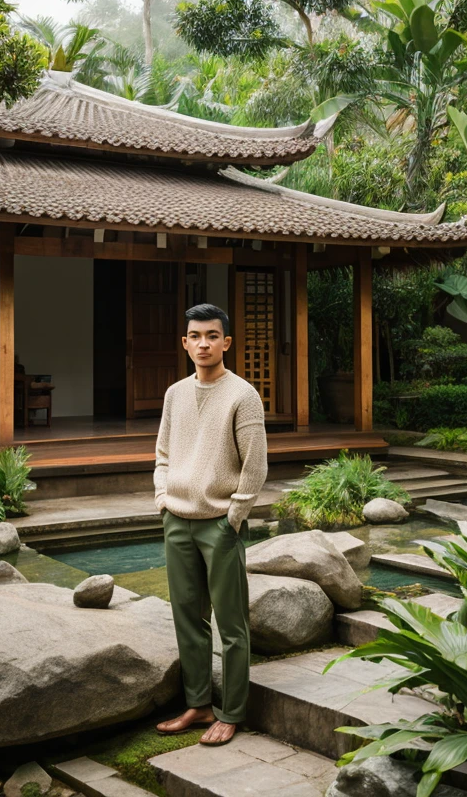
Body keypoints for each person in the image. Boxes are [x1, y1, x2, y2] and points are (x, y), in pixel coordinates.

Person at [153, 302, 268, 745]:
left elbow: (254, 467)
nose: (204, 343)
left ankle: (232, 711)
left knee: (232, 623)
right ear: (185, 343)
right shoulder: (174, 393)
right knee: (187, 618)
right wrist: (163, 498)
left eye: (212, 336)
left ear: (226, 342)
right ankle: (198, 705)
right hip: (176, 520)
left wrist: (234, 516)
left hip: (219, 523)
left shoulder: (243, 395)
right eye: (195, 336)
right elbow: (163, 453)